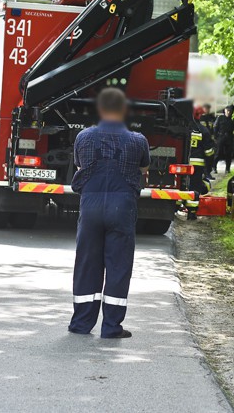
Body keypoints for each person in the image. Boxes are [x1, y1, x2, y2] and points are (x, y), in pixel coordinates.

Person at [68, 88, 150, 339]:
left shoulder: (83, 137)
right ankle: (111, 327)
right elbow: (144, 169)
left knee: (87, 264)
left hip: (90, 206)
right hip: (122, 208)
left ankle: (81, 324)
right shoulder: (138, 140)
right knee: (118, 266)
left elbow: (81, 166)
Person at [185, 110, 215, 219]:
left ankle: (176, 207)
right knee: (195, 187)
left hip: (184, 164)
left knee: (181, 185)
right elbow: (209, 152)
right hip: (197, 165)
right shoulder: (204, 130)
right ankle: (192, 212)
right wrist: (209, 166)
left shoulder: (184, 127)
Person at [213, 105, 234, 174]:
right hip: (221, 137)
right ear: (225, 111)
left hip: (230, 137)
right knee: (218, 153)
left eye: (230, 111)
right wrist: (215, 137)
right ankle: (214, 167)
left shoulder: (233, 119)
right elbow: (215, 127)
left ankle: (227, 168)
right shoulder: (220, 118)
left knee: (229, 154)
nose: (228, 112)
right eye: (227, 111)